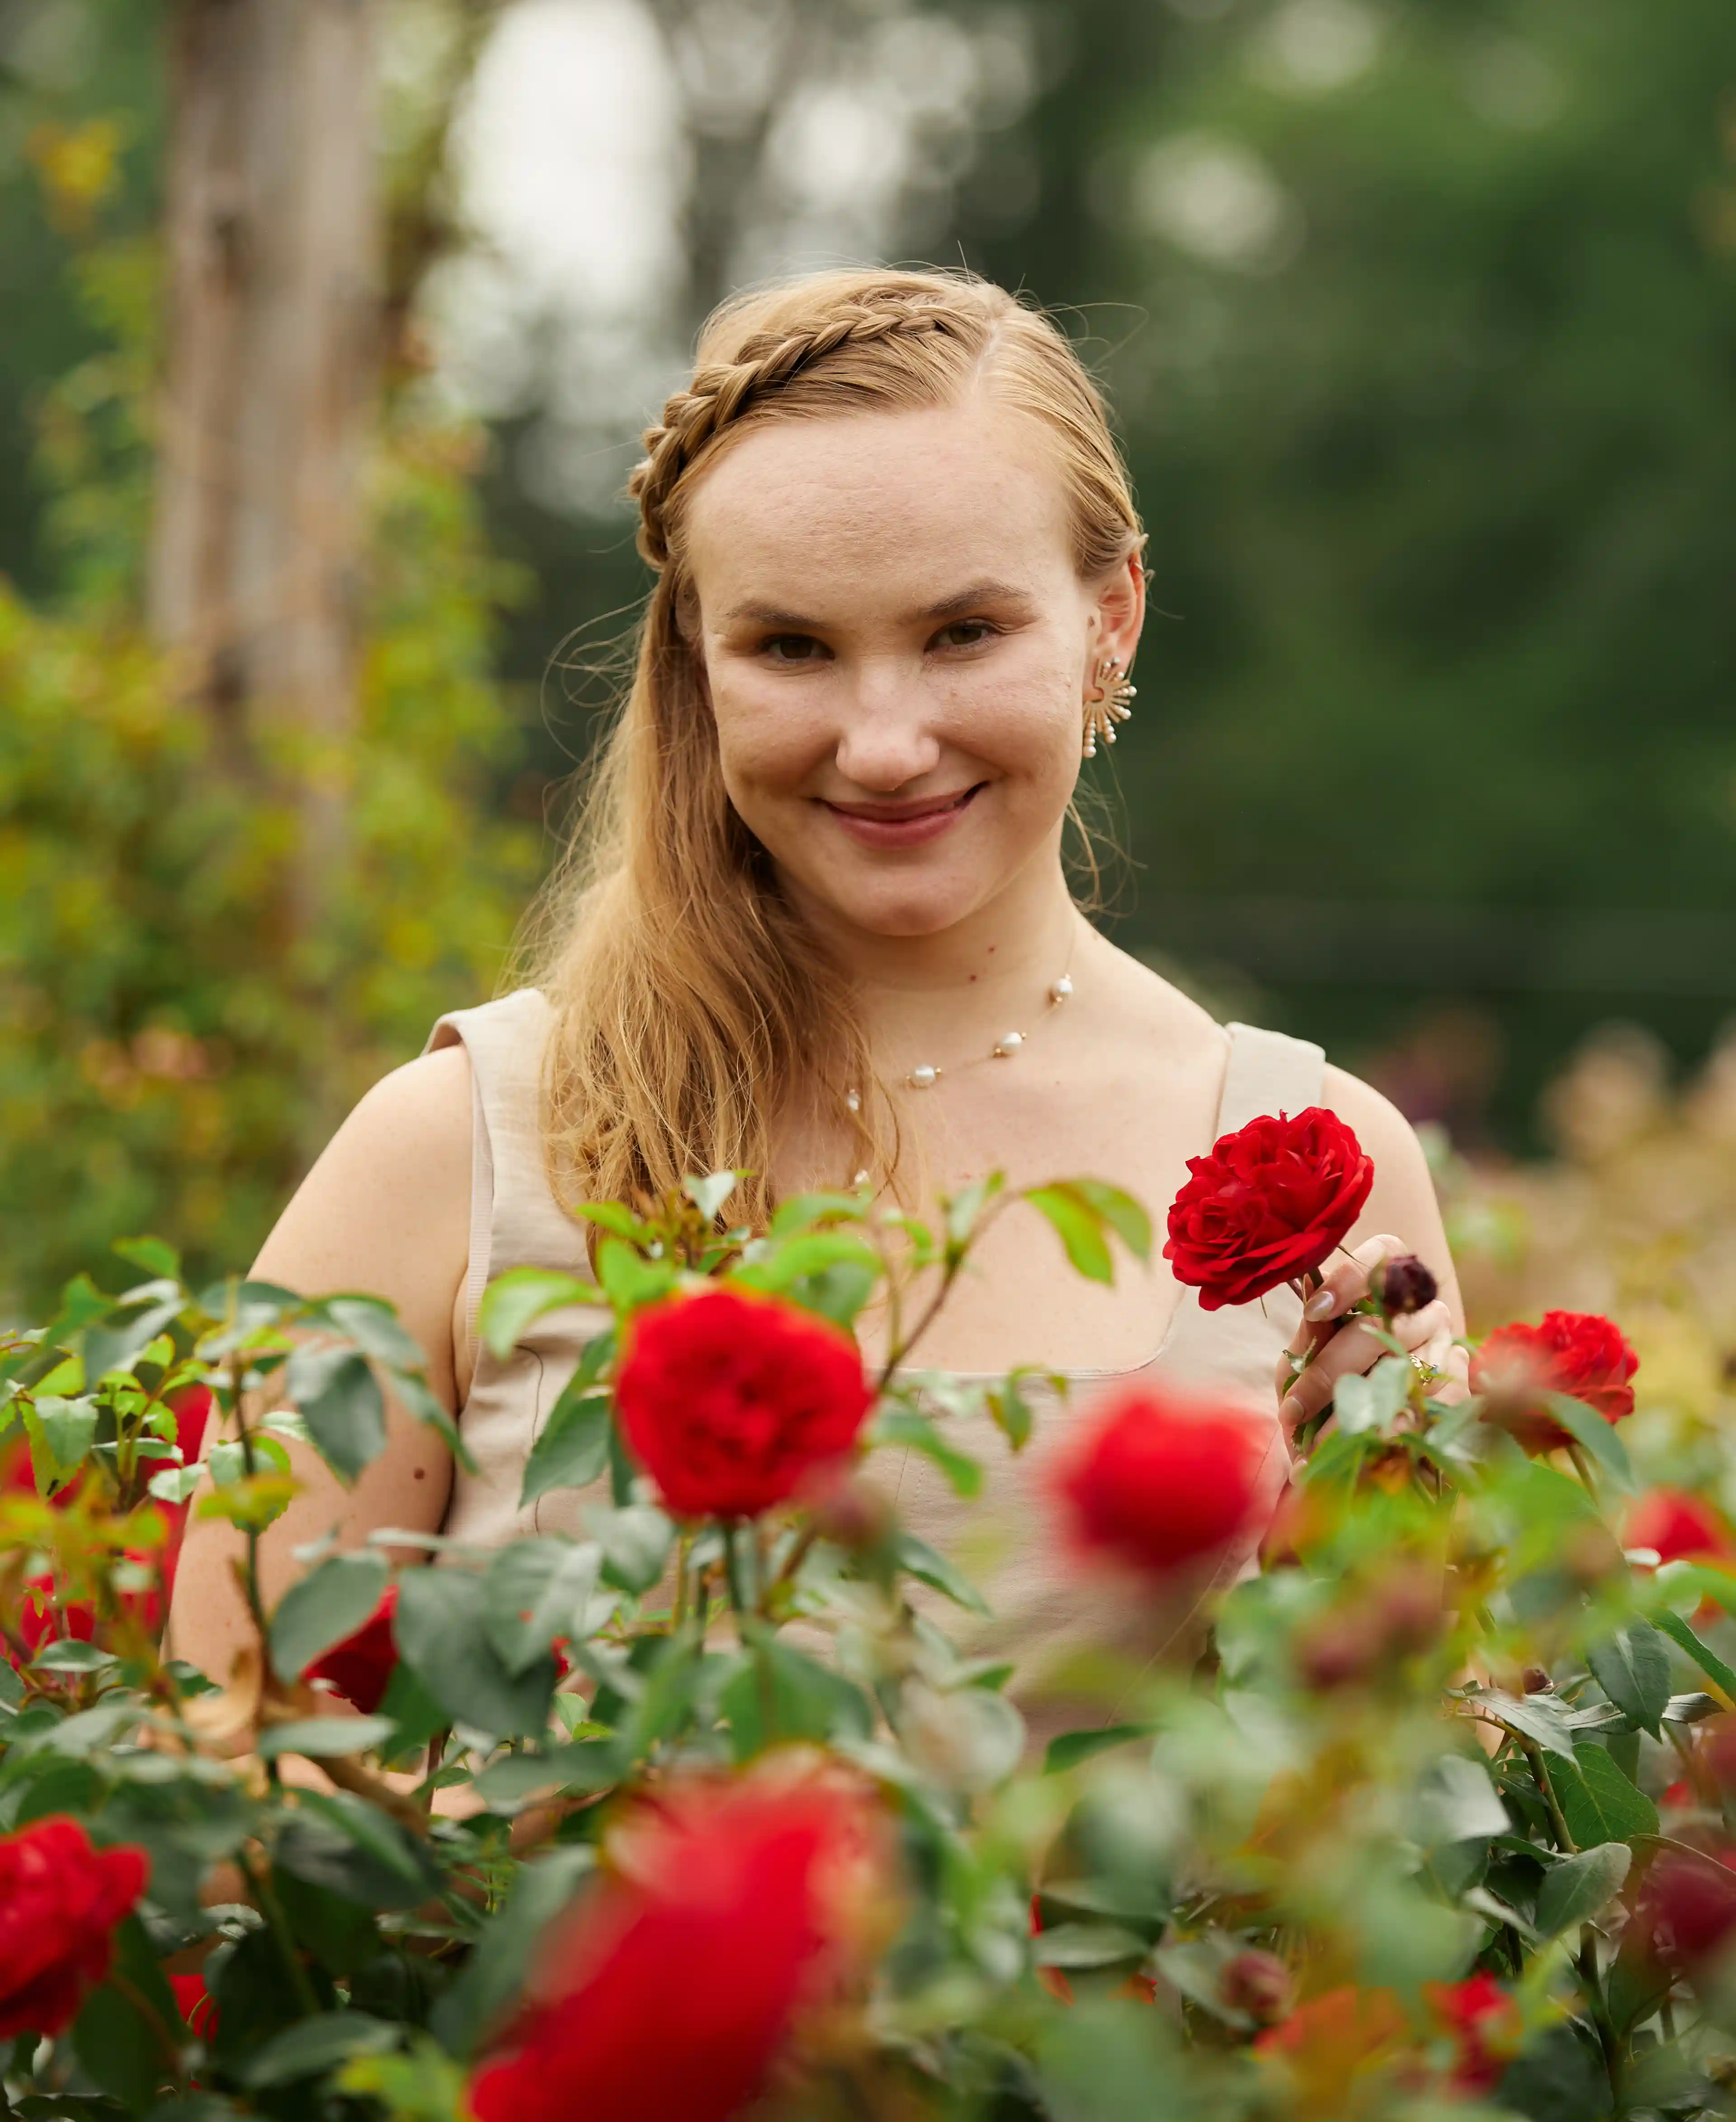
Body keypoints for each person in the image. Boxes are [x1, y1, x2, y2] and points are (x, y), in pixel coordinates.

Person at [170, 266, 1468, 1688]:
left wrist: (1357, 1549)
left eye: (964, 633)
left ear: (1114, 621)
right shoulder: (459, 1149)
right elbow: (236, 1803)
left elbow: (1439, 1811)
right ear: (697, 659)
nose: (886, 742)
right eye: (792, 646)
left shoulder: (1320, 1172)